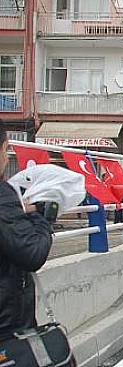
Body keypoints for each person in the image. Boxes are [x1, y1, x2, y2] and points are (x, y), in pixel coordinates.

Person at [0, 118, 55, 342]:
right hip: (7, 325)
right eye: (6, 149)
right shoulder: (3, 194)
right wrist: (43, 219)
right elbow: (32, 252)